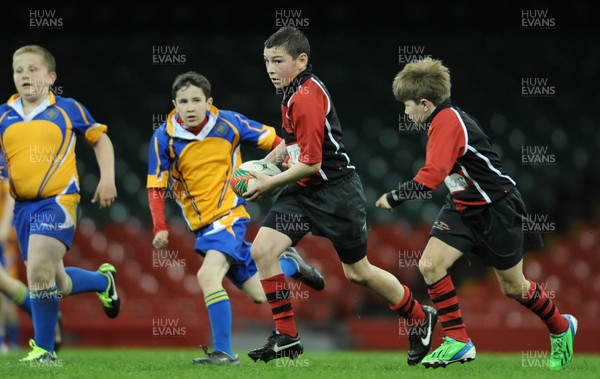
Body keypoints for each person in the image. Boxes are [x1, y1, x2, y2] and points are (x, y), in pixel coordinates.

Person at [243, 26, 436, 366]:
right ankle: (287, 336)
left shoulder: (305, 96)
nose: (271, 69)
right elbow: (296, 148)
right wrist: (268, 161)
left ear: (301, 60)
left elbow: (312, 162)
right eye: (266, 61)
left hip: (336, 193)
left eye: (278, 61)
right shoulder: (291, 91)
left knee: (358, 273)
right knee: (262, 249)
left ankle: (420, 317)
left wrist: (268, 184)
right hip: (304, 192)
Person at [376, 58, 577, 371]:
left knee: (514, 287)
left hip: (497, 208)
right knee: (430, 265)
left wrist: (394, 196)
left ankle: (562, 327)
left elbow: (432, 175)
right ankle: (458, 340)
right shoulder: (439, 122)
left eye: (407, 105)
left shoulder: (447, 122)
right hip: (461, 206)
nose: (405, 112)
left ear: (425, 104)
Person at [146, 71, 325, 366]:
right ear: (174, 104)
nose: (190, 107)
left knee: (207, 276)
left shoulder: (230, 123)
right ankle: (292, 264)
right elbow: (155, 186)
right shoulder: (162, 138)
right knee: (258, 293)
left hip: (229, 216)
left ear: (209, 102)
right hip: (203, 228)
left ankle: (224, 353)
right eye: (183, 102)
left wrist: (294, 167)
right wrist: (160, 225)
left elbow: (277, 140)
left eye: (196, 100)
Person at [0, 45, 120, 363]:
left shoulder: (67, 109)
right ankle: (102, 281)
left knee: (37, 269)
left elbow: (100, 138)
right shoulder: (2, 115)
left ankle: (45, 351)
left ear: (51, 77)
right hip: (22, 208)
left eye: (33, 69)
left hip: (59, 201)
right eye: (18, 70)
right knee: (56, 283)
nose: (25, 75)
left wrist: (107, 178)